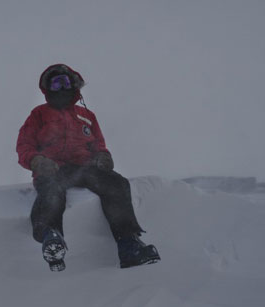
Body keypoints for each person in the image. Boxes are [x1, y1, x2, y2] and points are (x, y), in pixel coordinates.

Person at [16, 63, 160, 271]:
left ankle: (129, 245)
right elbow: (24, 145)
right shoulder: (38, 115)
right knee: (52, 191)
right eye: (55, 83)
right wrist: (37, 161)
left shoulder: (86, 115)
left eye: (64, 82)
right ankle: (52, 238)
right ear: (47, 88)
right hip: (52, 168)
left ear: (73, 84)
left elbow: (98, 144)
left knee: (116, 184)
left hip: (85, 168)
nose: (61, 87)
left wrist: (103, 156)